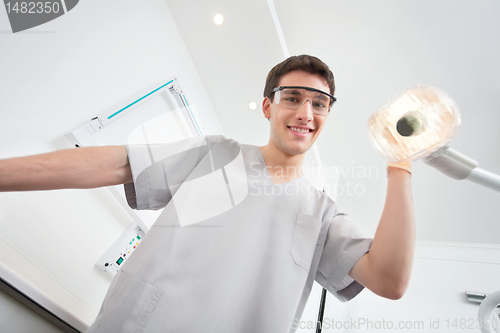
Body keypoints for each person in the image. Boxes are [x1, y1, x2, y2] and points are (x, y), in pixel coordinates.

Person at [0, 55, 415, 332]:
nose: (305, 113)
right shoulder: (216, 154)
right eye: (292, 98)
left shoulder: (323, 214)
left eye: (319, 103)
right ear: (268, 107)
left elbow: (389, 280)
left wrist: (400, 165)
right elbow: (118, 163)